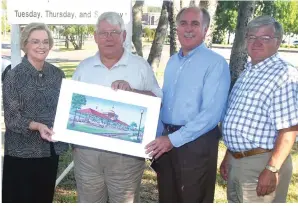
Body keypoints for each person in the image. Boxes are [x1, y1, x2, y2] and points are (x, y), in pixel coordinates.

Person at [71, 12, 162, 203]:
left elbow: (157, 100)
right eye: (103, 33)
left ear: (124, 36)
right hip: (87, 157)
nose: (109, 37)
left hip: (126, 158)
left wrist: (133, 92)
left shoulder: (139, 66)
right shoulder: (83, 68)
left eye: (114, 32)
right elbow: (72, 107)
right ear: (95, 37)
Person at [145, 7, 231, 203]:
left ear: (206, 29)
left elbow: (211, 114)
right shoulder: (173, 61)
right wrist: (159, 136)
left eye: (195, 24)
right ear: (176, 28)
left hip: (196, 144)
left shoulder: (215, 63)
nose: (188, 29)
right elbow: (166, 104)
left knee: (193, 198)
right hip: (167, 142)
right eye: (183, 23)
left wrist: (171, 140)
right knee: (168, 198)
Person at [220, 15, 298, 203]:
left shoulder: (284, 74)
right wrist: (228, 155)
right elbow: (237, 118)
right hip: (237, 161)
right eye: (252, 37)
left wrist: (272, 168)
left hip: (261, 164)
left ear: (278, 42)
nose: (256, 42)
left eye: (264, 38)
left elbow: (289, 129)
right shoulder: (248, 72)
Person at [2, 22, 69, 203]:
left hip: (49, 152)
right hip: (20, 153)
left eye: (45, 42)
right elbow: (12, 118)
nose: (42, 46)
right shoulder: (13, 76)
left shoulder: (57, 74)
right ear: (25, 44)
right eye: (35, 41)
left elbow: (65, 108)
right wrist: (37, 126)